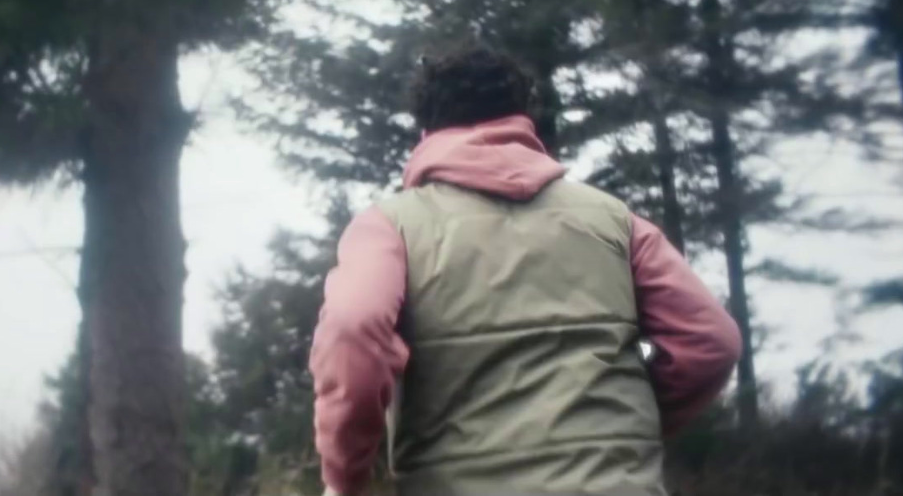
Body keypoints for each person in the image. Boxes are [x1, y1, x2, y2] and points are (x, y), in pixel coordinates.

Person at [308, 44, 742, 496]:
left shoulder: (390, 227)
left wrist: (345, 481)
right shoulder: (614, 220)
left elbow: (352, 330)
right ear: (522, 120)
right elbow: (711, 341)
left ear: (426, 131)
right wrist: (619, 438)